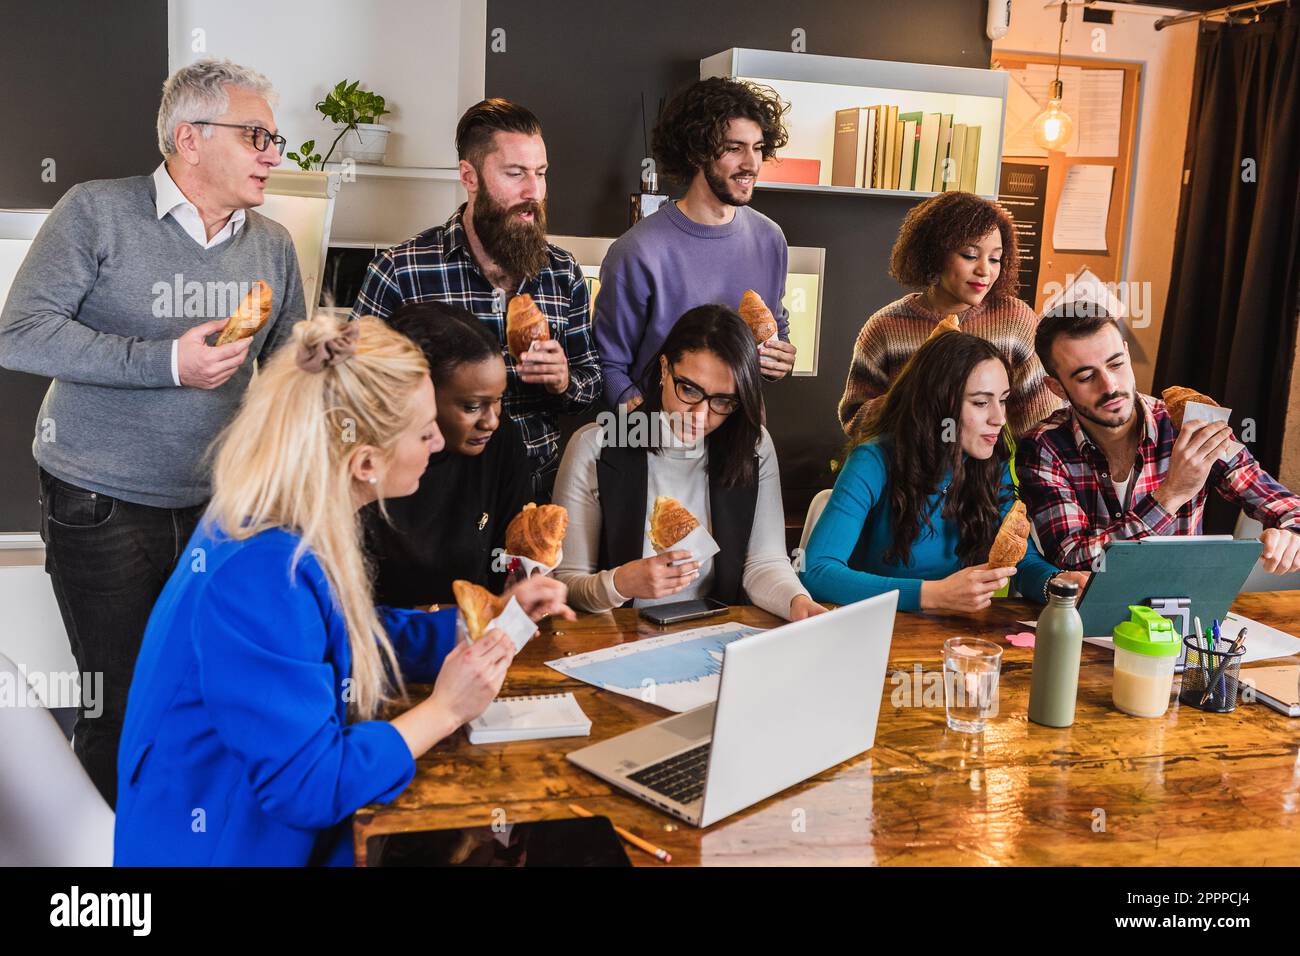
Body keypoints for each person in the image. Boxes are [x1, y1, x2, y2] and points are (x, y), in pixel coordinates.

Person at [113, 315, 572, 866]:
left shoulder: (279, 515)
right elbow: (307, 786)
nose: (436, 441)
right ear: (366, 462)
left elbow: (334, 637)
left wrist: (484, 618)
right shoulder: (261, 571)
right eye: (424, 428)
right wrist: (447, 709)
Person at [0, 59, 306, 807]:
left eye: (276, 136)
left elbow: (292, 368)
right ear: (189, 139)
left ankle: (193, 840)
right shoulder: (95, 212)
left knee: (209, 689)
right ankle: (114, 859)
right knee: (122, 700)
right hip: (100, 503)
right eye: (257, 134)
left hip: (219, 510)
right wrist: (169, 362)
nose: (275, 152)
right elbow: (19, 334)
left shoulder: (272, 244)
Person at [352, 98, 601, 499]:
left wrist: (564, 380)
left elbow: (591, 382)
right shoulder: (400, 271)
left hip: (538, 491)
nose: (533, 191)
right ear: (469, 176)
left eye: (541, 173)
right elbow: (355, 387)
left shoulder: (562, 271)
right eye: (515, 173)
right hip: (433, 492)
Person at [553, 304, 825, 621]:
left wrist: (797, 601)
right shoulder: (596, 446)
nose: (699, 416)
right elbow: (568, 585)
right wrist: (621, 583)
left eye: (722, 400)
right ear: (665, 370)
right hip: (616, 638)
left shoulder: (754, 447)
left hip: (716, 631)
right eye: (689, 390)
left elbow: (763, 563)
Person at [801, 332, 1085, 613]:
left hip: (947, 639)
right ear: (937, 404)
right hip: (873, 630)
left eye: (1003, 400)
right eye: (980, 402)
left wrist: (1055, 582)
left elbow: (1020, 560)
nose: (999, 418)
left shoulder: (990, 464)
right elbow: (816, 571)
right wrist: (931, 595)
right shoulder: (873, 460)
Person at [1017, 305, 1300, 573]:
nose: (1110, 386)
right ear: (1057, 388)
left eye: (1116, 364)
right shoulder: (1044, 448)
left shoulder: (1188, 423)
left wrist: (1291, 536)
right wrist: (1171, 495)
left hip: (1186, 610)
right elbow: (1073, 558)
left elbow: (1284, 506)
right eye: (1087, 377)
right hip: (1091, 617)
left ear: (1127, 354)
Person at [594, 77, 798, 409]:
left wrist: (778, 361)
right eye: (734, 148)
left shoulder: (770, 239)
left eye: (758, 148)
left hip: (739, 443)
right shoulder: (638, 251)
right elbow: (608, 365)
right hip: (657, 440)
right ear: (696, 153)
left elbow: (776, 331)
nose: (751, 164)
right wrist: (646, 426)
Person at [837, 191, 1060, 441]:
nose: (985, 270)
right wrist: (923, 370)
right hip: (908, 474)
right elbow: (856, 423)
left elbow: (1040, 428)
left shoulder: (1015, 321)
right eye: (970, 255)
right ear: (935, 253)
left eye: (995, 258)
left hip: (991, 477)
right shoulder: (885, 327)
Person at [364, 302, 532, 606]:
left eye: (497, 400)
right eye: (471, 406)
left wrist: (520, 581)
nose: (491, 420)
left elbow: (509, 553)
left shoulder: (500, 439)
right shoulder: (358, 459)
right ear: (415, 394)